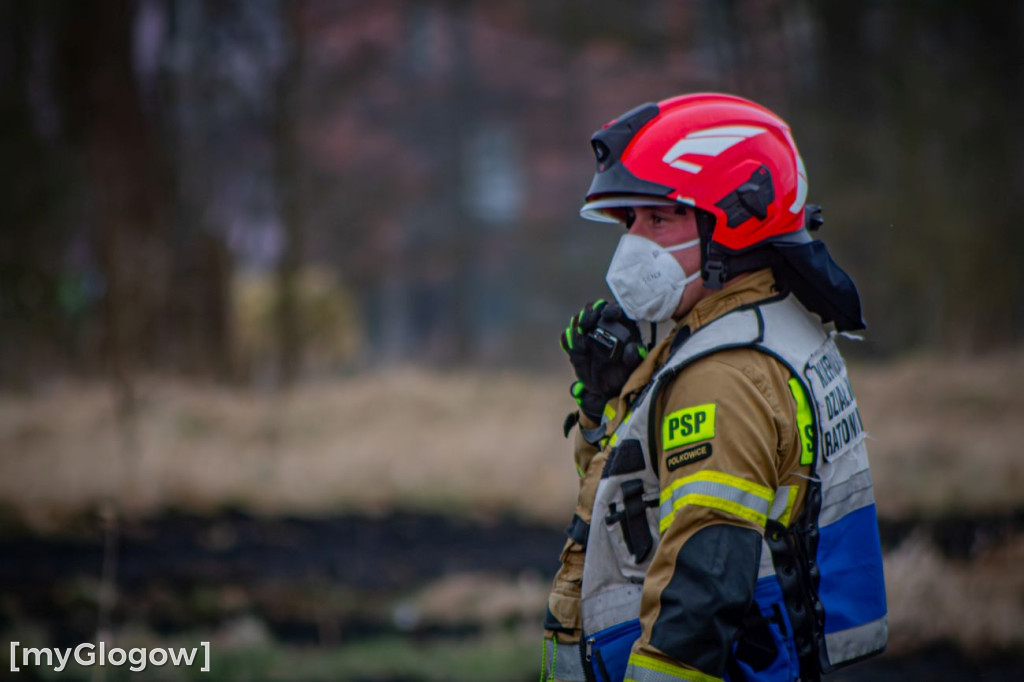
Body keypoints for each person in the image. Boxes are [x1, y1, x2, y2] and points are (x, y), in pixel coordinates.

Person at [539, 93, 887, 682]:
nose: (634, 246)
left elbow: (700, 595)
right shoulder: (764, 325)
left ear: (736, 218)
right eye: (630, 222)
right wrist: (606, 410)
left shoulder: (722, 377)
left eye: (658, 218)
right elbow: (643, 512)